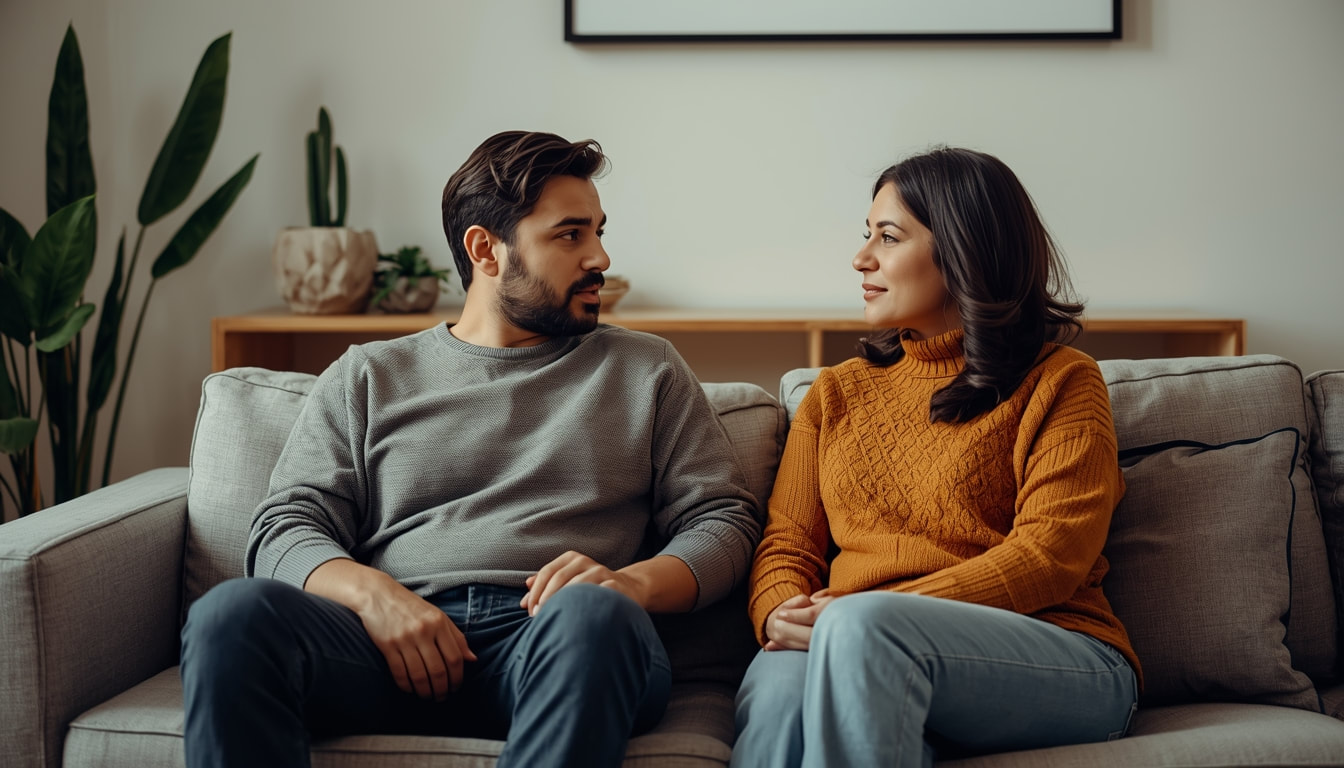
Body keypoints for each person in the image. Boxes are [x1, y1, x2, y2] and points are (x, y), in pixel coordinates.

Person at [179, 130, 761, 768]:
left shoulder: (645, 369)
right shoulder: (367, 375)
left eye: (598, 231)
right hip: (385, 643)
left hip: (561, 640)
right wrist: (375, 597)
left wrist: (630, 586)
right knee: (230, 615)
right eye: (570, 235)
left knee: (598, 618)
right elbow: (286, 526)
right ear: (486, 249)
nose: (600, 256)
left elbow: (723, 521)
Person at [731, 147, 1142, 768]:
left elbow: (1050, 557)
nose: (861, 258)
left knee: (863, 634)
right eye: (867, 235)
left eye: (888, 237)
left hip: (1059, 648)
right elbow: (787, 543)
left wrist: (872, 614)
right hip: (854, 637)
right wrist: (780, 612)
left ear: (962, 249)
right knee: (781, 692)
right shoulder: (835, 393)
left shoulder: (1062, 381)